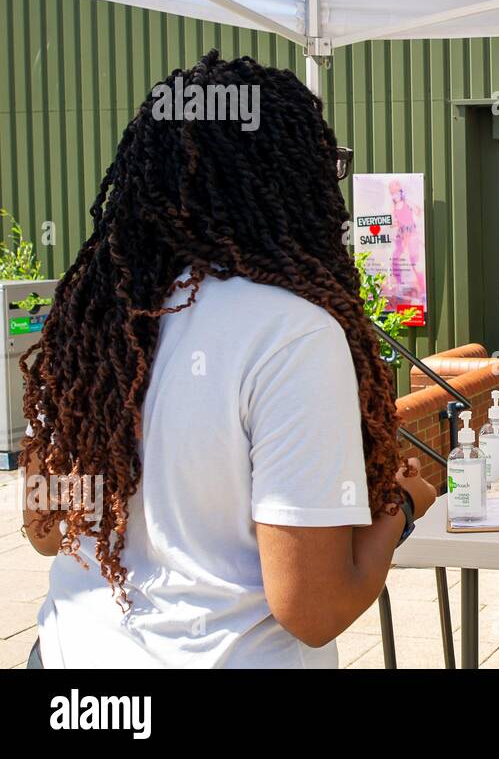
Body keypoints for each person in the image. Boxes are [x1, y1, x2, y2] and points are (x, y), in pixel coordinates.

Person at [19, 51, 438, 668]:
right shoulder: (292, 336)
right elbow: (314, 610)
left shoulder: (89, 327)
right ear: (292, 184)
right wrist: (402, 508)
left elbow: (46, 531)